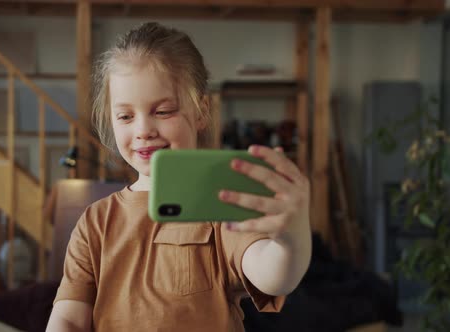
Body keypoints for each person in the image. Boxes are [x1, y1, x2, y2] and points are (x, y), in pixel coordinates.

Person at [46, 22, 312, 332]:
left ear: (201, 112)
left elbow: (275, 276)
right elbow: (68, 317)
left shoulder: (221, 204)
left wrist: (292, 236)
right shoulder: (95, 222)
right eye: (126, 116)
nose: (143, 130)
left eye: (163, 111)